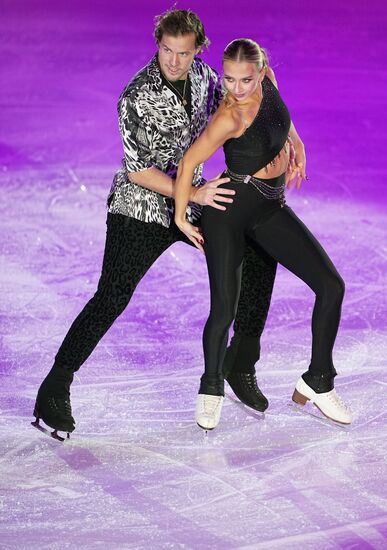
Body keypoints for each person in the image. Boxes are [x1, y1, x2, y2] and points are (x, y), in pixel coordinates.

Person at [32, 12, 286, 440]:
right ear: (158, 44)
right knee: (112, 296)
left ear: (197, 50)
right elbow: (138, 172)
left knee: (261, 250)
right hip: (142, 208)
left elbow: (258, 88)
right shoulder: (135, 96)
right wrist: (195, 195)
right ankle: (55, 387)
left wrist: (288, 138)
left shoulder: (208, 78)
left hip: (193, 194)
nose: (172, 60)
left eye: (182, 53)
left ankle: (240, 361)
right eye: (166, 50)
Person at [175, 38, 353, 431]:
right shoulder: (229, 116)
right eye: (229, 80)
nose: (236, 89)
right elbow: (189, 161)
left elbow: (280, 118)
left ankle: (318, 380)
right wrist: (182, 216)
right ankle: (210, 388)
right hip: (228, 213)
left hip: (270, 207)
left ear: (261, 71)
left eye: (245, 80)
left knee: (331, 286)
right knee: (224, 308)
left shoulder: (269, 83)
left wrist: (297, 143)